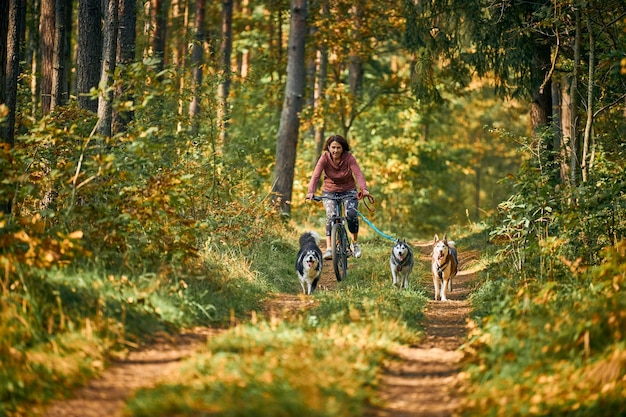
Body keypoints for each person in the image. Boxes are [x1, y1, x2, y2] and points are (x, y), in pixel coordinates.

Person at [305, 134, 370, 260]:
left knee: (351, 214)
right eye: (333, 147)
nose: (335, 150)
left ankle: (355, 243)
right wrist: (310, 191)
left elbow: (358, 174)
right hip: (329, 191)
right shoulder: (324, 158)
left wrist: (364, 189)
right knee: (331, 215)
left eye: (338, 148)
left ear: (343, 148)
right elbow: (316, 175)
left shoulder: (349, 158)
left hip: (349, 191)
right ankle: (329, 248)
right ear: (328, 147)